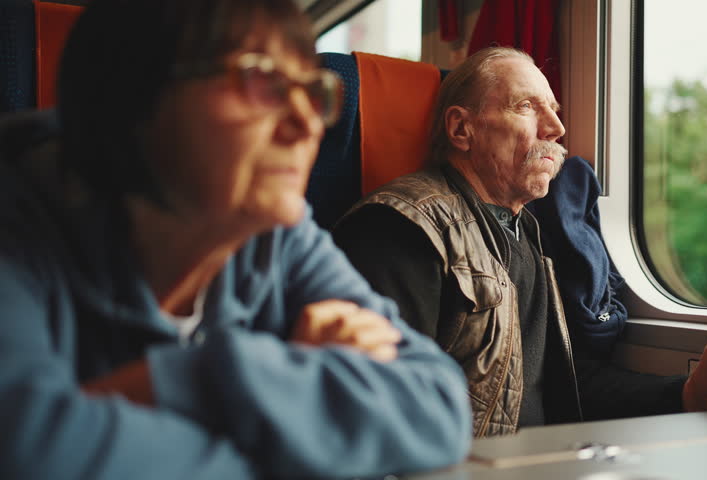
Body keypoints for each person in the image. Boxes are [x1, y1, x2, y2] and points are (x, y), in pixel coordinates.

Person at [0, 1, 472, 478]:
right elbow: (28, 451)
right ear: (133, 96)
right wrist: (298, 414)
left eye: (314, 94)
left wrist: (210, 376)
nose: (308, 125)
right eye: (263, 83)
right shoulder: (19, 224)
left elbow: (439, 403)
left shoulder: (279, 237)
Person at [333, 47, 707, 437]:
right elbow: (374, 416)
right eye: (527, 106)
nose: (555, 128)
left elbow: (568, 390)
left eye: (555, 110)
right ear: (461, 130)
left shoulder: (524, 233)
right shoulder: (404, 229)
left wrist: (689, 395)